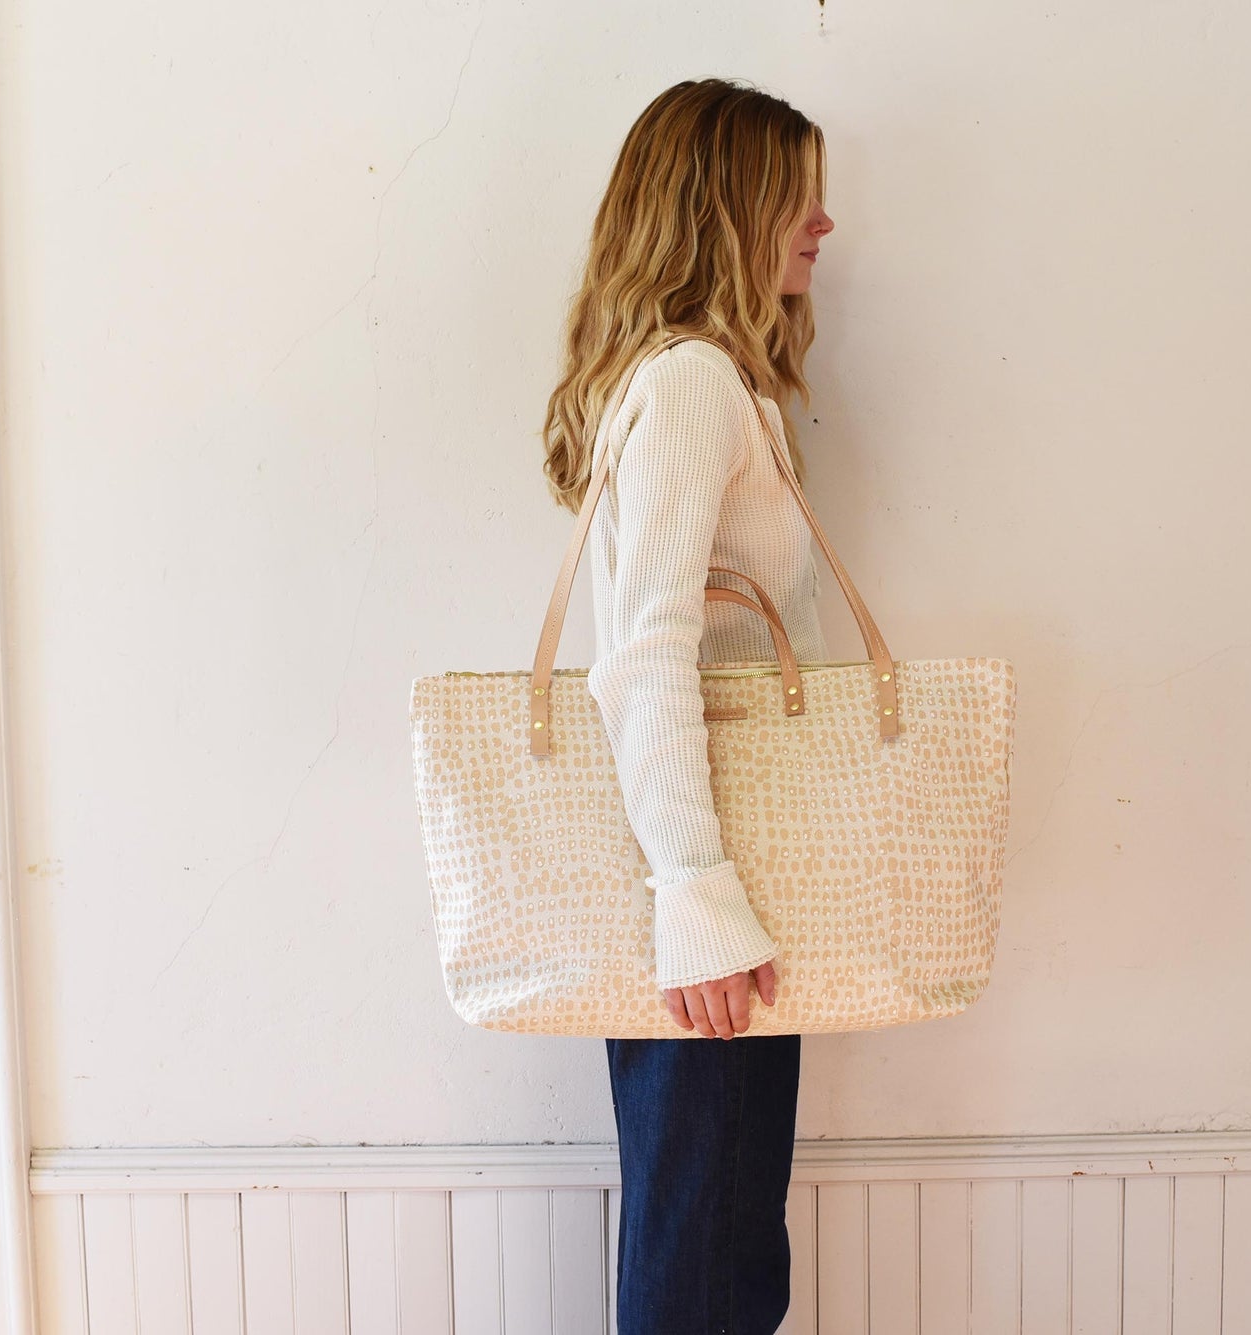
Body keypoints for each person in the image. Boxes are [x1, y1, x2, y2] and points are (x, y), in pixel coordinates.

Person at [539, 77, 836, 1334]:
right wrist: (697, 895)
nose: (822, 225)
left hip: (717, 883)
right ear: (723, 204)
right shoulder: (694, 385)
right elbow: (646, 651)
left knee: (715, 1252)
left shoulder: (701, 384)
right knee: (704, 1268)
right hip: (707, 890)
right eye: (797, 196)